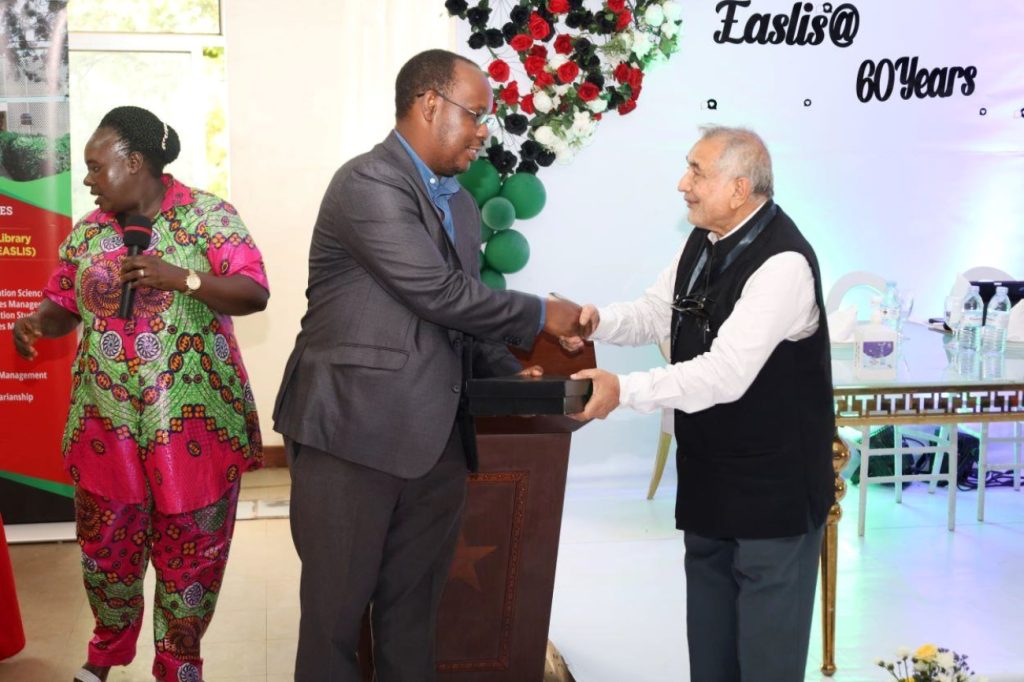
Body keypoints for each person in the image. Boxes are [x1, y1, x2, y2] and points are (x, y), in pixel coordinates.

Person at [273, 49, 581, 682]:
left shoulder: (462, 207)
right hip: (349, 436)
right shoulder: (366, 183)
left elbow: (459, 316)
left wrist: (508, 370)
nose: (483, 132)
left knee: (414, 619)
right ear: (429, 104)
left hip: (435, 439)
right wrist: (540, 315)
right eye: (476, 115)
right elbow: (433, 291)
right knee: (334, 622)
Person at [564, 126, 835, 682]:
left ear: (739, 189)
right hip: (711, 483)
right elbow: (657, 311)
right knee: (711, 659)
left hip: (773, 497)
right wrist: (597, 321)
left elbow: (725, 375)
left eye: (696, 173)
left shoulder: (784, 263)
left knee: (766, 663)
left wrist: (625, 390)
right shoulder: (702, 241)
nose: (681, 184)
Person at [12, 106, 269, 682]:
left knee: (190, 560)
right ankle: (105, 652)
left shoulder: (210, 217)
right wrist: (36, 323)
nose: (88, 180)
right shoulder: (88, 232)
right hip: (106, 429)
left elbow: (253, 292)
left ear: (134, 163)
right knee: (107, 554)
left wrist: (181, 278)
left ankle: (179, 664)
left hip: (193, 431)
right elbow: (63, 305)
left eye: (96, 168)